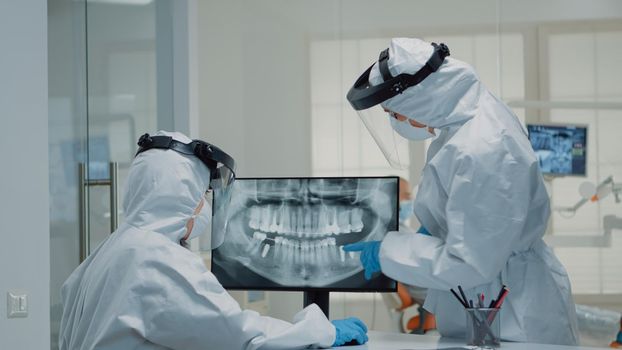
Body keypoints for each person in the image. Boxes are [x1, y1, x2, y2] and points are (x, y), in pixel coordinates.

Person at [343, 38, 579, 345]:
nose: (396, 123)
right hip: (490, 294)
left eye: (395, 114)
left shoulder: (485, 147)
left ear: (421, 100)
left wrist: (388, 252)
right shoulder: (465, 120)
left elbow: (470, 262)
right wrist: (434, 227)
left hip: (513, 315)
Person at [59, 131, 368, 350]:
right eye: (203, 194)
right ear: (180, 197)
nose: (205, 206)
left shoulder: (112, 248)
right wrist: (321, 330)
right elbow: (239, 335)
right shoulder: (156, 257)